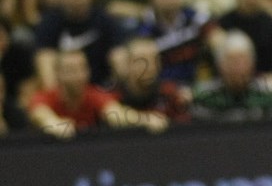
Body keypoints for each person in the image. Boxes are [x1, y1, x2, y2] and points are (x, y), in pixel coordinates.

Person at [28, 45, 168, 136]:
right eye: (71, 70)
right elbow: (40, 114)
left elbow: (116, 113)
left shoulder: (93, 95)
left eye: (82, 69)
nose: (78, 75)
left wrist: (144, 119)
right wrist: (53, 123)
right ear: (58, 74)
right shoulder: (45, 97)